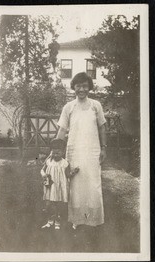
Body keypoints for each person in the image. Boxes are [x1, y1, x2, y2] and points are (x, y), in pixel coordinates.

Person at [57, 72, 107, 229]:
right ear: (74, 87)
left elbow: (102, 127)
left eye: (85, 86)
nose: (81, 89)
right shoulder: (68, 107)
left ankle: (93, 220)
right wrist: (55, 151)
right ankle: (77, 220)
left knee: (93, 184)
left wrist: (104, 148)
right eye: (78, 86)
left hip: (92, 151)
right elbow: (62, 130)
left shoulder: (96, 105)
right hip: (74, 151)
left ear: (89, 87)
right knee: (76, 186)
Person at [40, 138, 79, 230]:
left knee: (58, 205)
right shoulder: (48, 161)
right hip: (50, 186)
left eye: (58, 153)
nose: (55, 155)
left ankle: (57, 221)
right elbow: (42, 170)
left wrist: (74, 172)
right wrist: (44, 175)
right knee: (49, 204)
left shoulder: (65, 163)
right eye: (53, 153)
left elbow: (68, 175)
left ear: (62, 152)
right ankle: (49, 221)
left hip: (60, 188)